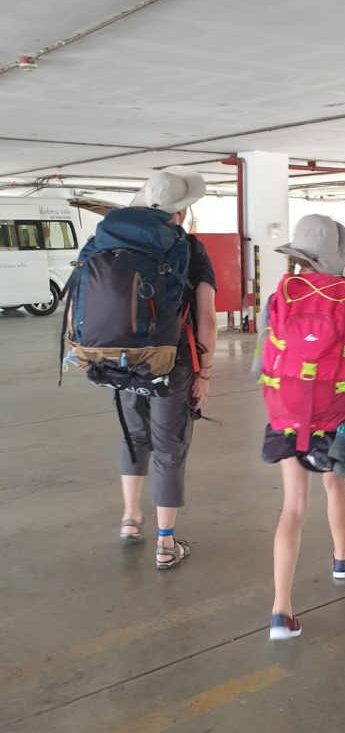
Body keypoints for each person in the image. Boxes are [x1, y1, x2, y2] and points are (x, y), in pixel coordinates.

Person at [256, 214, 345, 640]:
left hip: (288, 416)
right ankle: (340, 558)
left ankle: (281, 611)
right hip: (337, 416)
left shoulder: (280, 294)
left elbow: (260, 363)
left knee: (293, 508)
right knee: (336, 488)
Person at [119, 172, 217, 567]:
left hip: (124, 361)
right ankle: (165, 543)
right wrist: (204, 374)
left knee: (133, 437)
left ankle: (130, 519)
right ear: (181, 212)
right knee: (169, 449)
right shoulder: (191, 249)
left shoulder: (121, 245)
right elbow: (206, 316)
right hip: (171, 363)